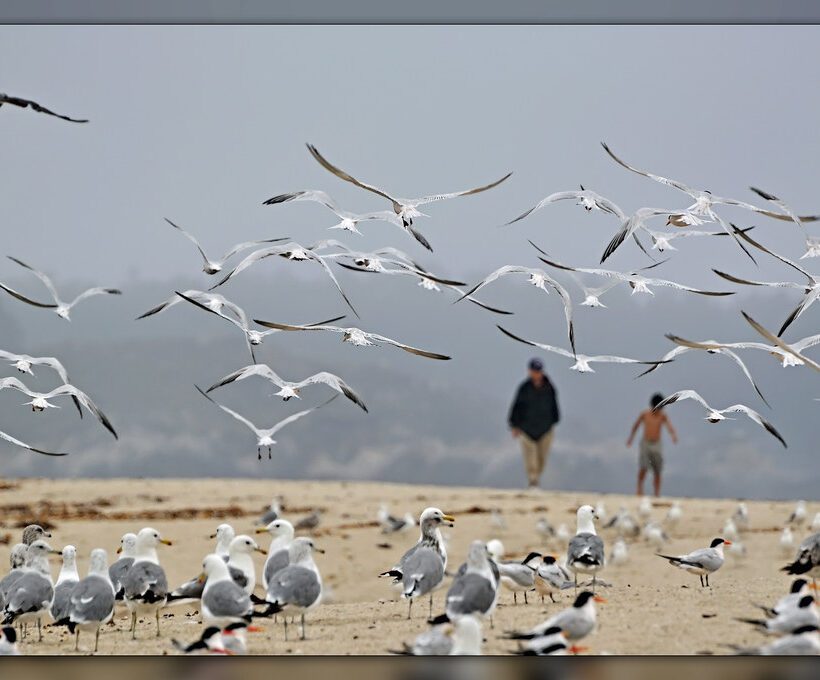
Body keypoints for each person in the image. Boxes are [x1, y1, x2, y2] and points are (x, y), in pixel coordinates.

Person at [508, 358, 560, 489]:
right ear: (529, 371)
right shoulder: (524, 388)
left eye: (538, 371)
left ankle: (537, 478)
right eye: (534, 371)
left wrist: (554, 422)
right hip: (526, 429)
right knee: (530, 458)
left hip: (545, 429)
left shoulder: (549, 388)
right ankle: (533, 481)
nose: (536, 373)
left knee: (542, 458)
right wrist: (514, 425)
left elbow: (555, 407)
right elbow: (516, 407)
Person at [626, 393, 678, 497]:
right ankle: (639, 490)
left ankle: (657, 493)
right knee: (643, 467)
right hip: (646, 443)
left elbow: (669, 426)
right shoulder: (645, 414)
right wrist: (631, 439)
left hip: (657, 444)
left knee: (657, 469)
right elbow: (636, 426)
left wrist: (673, 435)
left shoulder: (663, 416)